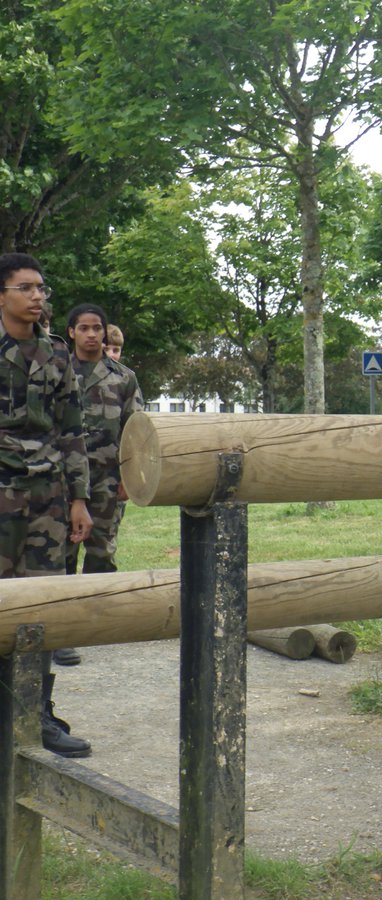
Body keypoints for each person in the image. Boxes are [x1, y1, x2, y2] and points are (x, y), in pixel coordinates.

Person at [0, 252, 93, 757]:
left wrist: (78, 499)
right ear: (2, 296)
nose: (37, 296)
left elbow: (71, 430)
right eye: (25, 288)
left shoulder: (57, 355)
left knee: (40, 605)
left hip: (47, 500)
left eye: (42, 288)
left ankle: (36, 715)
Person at [62, 304, 142, 585]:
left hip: (107, 478)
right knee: (61, 553)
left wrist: (128, 476)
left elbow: (135, 430)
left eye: (97, 328)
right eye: (83, 328)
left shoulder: (123, 377)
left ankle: (100, 617)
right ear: (72, 332)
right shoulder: (57, 372)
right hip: (64, 478)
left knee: (102, 553)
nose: (91, 335)